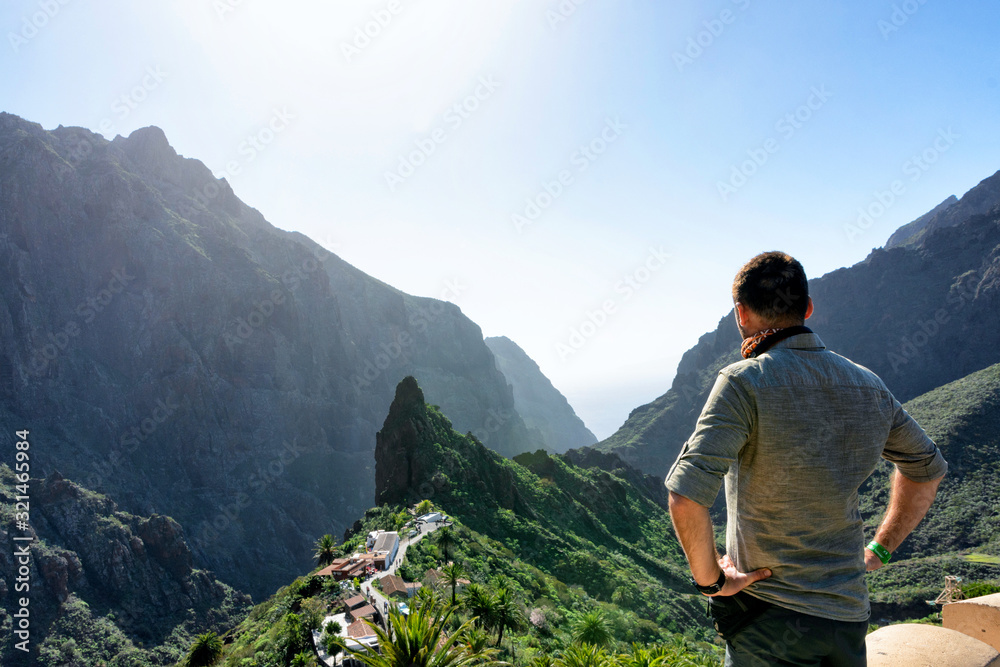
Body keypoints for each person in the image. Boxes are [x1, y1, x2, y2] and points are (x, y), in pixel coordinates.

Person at [665, 251, 947, 666]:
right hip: (848, 620)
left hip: (768, 620)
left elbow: (686, 496)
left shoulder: (746, 382)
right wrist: (881, 549)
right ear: (808, 308)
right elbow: (928, 469)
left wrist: (712, 583)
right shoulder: (869, 385)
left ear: (741, 314)